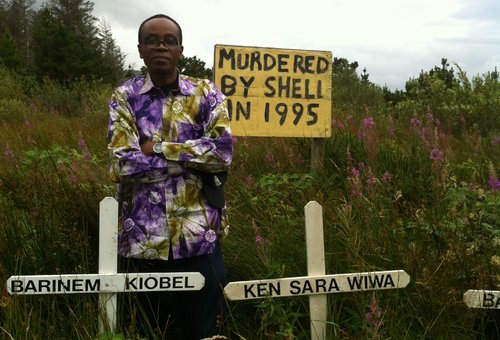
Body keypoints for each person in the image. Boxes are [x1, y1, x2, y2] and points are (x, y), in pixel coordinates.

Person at [106, 13, 232, 339]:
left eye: (169, 41)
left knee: (204, 331)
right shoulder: (124, 97)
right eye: (152, 40)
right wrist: (190, 159)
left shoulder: (207, 94)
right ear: (140, 49)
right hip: (141, 240)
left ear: (181, 50)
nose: (161, 46)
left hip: (199, 239)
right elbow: (122, 164)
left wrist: (160, 149)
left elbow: (222, 154)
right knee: (145, 330)